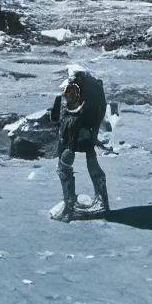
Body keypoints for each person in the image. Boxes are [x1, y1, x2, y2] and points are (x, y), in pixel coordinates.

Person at [50, 66, 109, 222]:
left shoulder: (78, 86)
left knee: (64, 167)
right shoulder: (91, 88)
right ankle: (101, 202)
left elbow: (58, 116)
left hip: (74, 131)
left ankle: (70, 208)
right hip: (84, 130)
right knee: (90, 158)